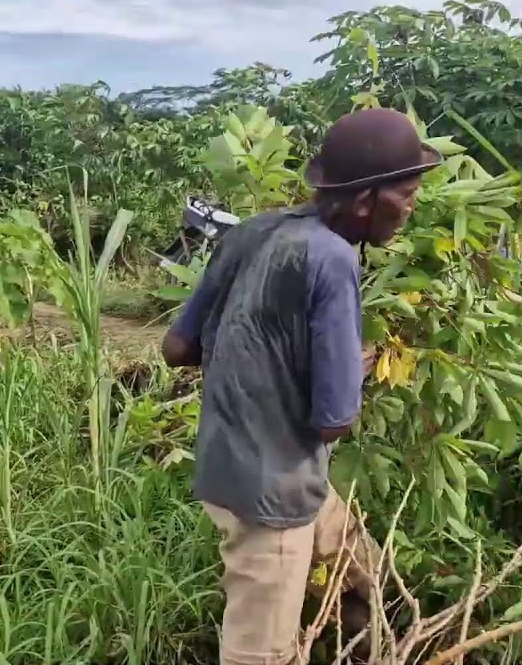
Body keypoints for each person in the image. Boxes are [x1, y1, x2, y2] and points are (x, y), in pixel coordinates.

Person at [160, 107, 441, 665]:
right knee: (260, 653)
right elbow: (333, 419)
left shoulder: (254, 230)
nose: (411, 207)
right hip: (273, 495)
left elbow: (177, 349)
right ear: (366, 200)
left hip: (231, 463)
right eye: (407, 194)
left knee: (361, 569)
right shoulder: (333, 259)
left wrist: (261, 358)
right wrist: (354, 366)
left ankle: (376, 647)